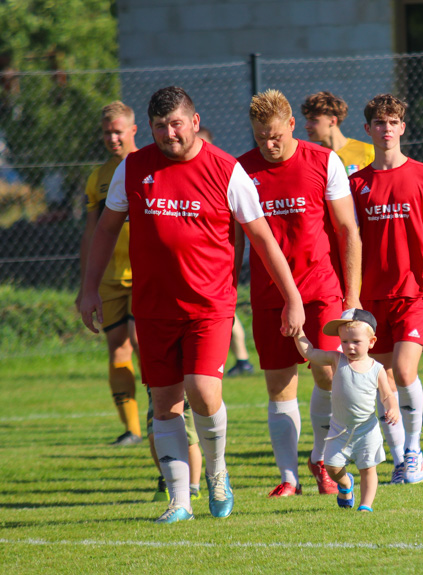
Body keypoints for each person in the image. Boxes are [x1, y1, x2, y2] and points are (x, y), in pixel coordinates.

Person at [79, 86, 305, 524]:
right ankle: (180, 500)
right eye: (160, 127)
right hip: (153, 306)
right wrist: (89, 289)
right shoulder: (134, 168)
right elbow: (106, 230)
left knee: (203, 392)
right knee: (164, 404)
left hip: (209, 304)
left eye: (176, 124)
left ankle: (218, 472)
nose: (169, 133)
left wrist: (292, 297)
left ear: (195, 121)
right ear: (149, 129)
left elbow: (262, 238)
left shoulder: (227, 170)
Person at [237, 89, 361, 497]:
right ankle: (289, 478)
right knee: (279, 385)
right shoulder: (240, 170)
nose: (268, 145)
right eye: (260, 138)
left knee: (329, 374)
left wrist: (353, 297)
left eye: (274, 135)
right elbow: (234, 239)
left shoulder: (324, 161)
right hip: (270, 294)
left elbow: (348, 231)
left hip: (321, 288)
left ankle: (321, 459)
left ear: (291, 125)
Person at [349, 93, 423, 485]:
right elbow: (348, 241)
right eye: (379, 123)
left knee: (403, 370)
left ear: (403, 127)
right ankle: (400, 457)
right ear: (368, 130)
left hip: (415, 289)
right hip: (372, 295)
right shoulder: (357, 183)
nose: (386, 130)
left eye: (393, 122)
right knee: (380, 377)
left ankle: (414, 449)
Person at [75, 101, 142, 446]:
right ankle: (132, 429)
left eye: (118, 131)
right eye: (107, 132)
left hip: (146, 275)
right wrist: (86, 284)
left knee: (143, 344)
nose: (112, 138)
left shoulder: (148, 167)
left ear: (133, 130)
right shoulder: (98, 178)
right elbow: (90, 234)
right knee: (117, 349)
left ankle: (161, 413)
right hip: (110, 280)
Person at [293, 309, 399, 512]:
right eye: (344, 341)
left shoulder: (376, 368)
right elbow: (310, 353)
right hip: (339, 430)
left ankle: (365, 506)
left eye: (356, 342)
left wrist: (392, 408)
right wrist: (299, 334)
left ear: (371, 341)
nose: (349, 347)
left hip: (366, 430)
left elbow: (387, 395)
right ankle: (345, 484)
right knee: (332, 468)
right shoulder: (337, 359)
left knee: (368, 469)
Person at [197, 126, 255, 377]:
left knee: (223, 313)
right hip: (194, 265)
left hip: (216, 264)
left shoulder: (226, 173)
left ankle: (241, 359)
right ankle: (240, 359)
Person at [301, 91, 375, 176]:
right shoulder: (311, 159)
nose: (307, 126)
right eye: (307, 120)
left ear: (332, 121)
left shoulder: (368, 152)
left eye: (313, 120)